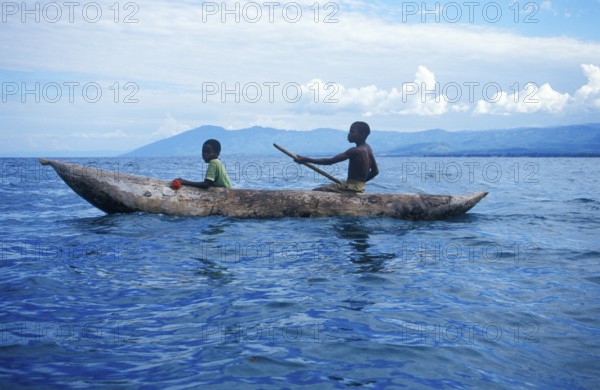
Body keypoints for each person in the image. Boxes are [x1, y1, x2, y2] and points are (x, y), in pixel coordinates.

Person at [294, 121, 378, 192]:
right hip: (360, 187)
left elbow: (330, 161)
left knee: (315, 192)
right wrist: (360, 184)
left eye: (352, 132)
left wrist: (305, 159)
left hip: (352, 187)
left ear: (362, 135)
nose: (349, 134)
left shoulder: (355, 150)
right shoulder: (368, 148)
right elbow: (375, 171)